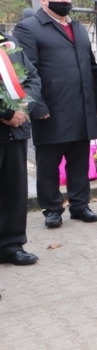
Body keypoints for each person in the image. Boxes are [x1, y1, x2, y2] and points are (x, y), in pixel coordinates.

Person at [14, 0, 97, 229]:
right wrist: (37, 106)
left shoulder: (78, 27)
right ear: (44, 0)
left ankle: (80, 205)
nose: (65, 0)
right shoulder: (29, 28)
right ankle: (52, 209)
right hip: (51, 109)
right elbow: (25, 72)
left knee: (79, 161)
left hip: (81, 106)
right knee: (49, 164)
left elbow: (91, 66)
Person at [0, 31, 42, 266]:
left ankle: (11, 244)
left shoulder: (8, 42)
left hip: (15, 129)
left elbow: (32, 77)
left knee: (14, 190)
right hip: (6, 119)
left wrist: (24, 105)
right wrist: (5, 112)